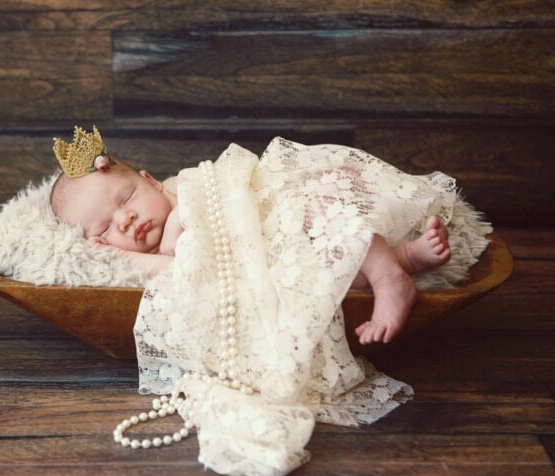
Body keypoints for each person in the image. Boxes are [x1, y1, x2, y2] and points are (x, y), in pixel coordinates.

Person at [49, 136, 452, 345]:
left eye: (127, 197)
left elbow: (225, 186)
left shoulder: (181, 188)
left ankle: (390, 276)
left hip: (280, 209)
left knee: (322, 209)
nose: (126, 219)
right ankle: (403, 260)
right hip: (278, 251)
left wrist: (182, 225)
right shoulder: (142, 259)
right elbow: (180, 270)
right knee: (318, 268)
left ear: (151, 180)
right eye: (106, 229)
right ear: (100, 247)